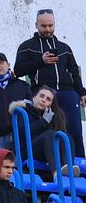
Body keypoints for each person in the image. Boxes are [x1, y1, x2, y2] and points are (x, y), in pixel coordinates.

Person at [16, 8, 85, 156]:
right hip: (43, 94)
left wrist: (82, 92)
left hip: (68, 93)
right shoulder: (26, 46)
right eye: (43, 26)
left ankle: (81, 169)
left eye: (50, 25)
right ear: (36, 25)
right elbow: (18, 71)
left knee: (75, 130)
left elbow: (74, 71)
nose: (47, 29)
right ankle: (53, 167)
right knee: (49, 130)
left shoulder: (64, 47)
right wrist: (40, 61)